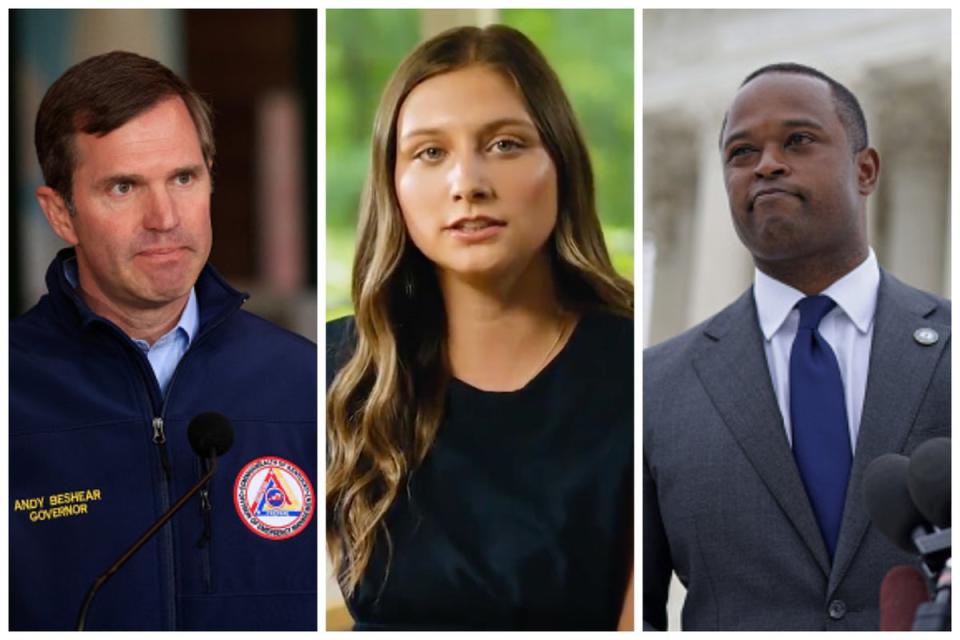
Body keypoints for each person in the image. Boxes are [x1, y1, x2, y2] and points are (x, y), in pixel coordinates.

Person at [326, 25, 634, 631]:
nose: (468, 184)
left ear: (562, 164)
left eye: (505, 144)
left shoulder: (639, 376)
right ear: (393, 184)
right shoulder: (336, 373)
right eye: (430, 152)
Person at [10, 51, 317, 631]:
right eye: (124, 187)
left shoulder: (305, 380)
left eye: (183, 178)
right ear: (61, 215)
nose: (164, 216)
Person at [643, 63, 950, 630]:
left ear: (866, 169)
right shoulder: (654, 387)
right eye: (740, 153)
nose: (766, 164)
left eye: (798, 140)